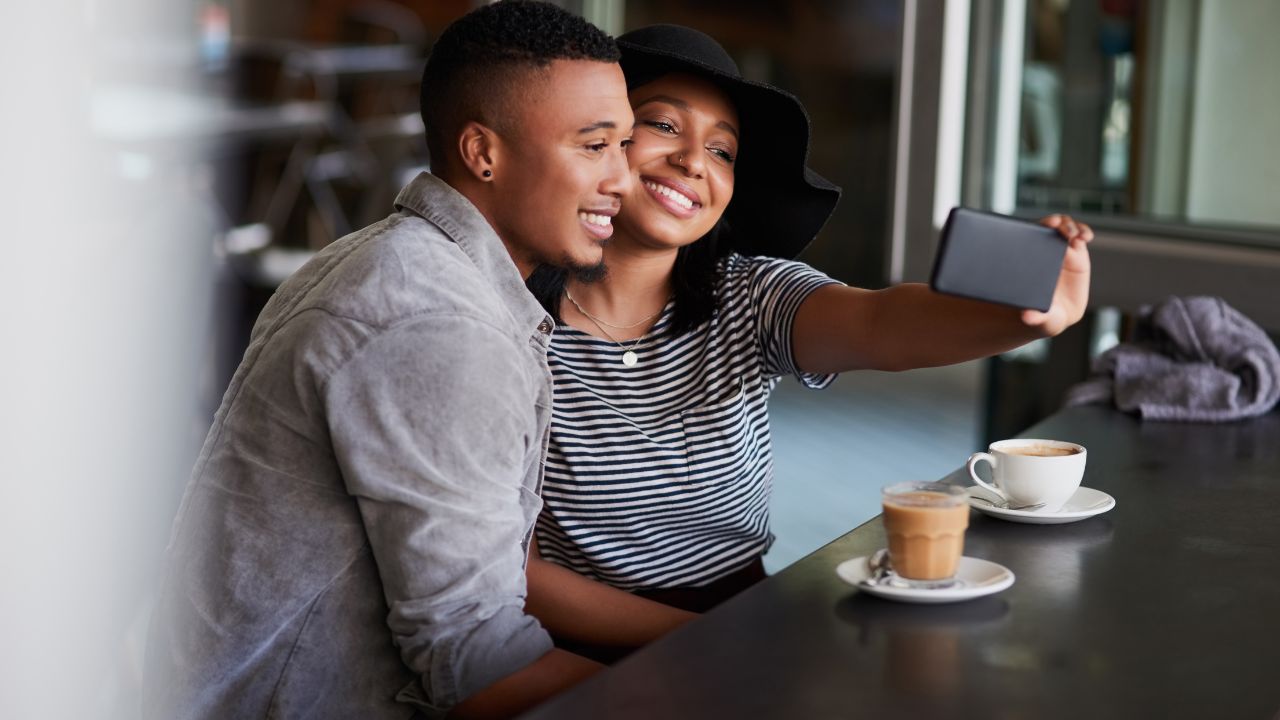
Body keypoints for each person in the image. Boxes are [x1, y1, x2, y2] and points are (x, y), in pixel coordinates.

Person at [523, 24, 1095, 654]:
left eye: (723, 151)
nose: (693, 161)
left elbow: (881, 323)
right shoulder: (509, 320)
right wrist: (700, 646)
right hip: (580, 647)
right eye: (664, 125)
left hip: (740, 618)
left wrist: (1029, 314)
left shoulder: (749, 295)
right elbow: (513, 574)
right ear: (597, 139)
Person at [143, 3, 635, 718]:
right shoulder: (438, 322)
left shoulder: (397, 259)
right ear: (483, 153)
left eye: (623, 144)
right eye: (593, 146)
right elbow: (477, 663)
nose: (622, 177)